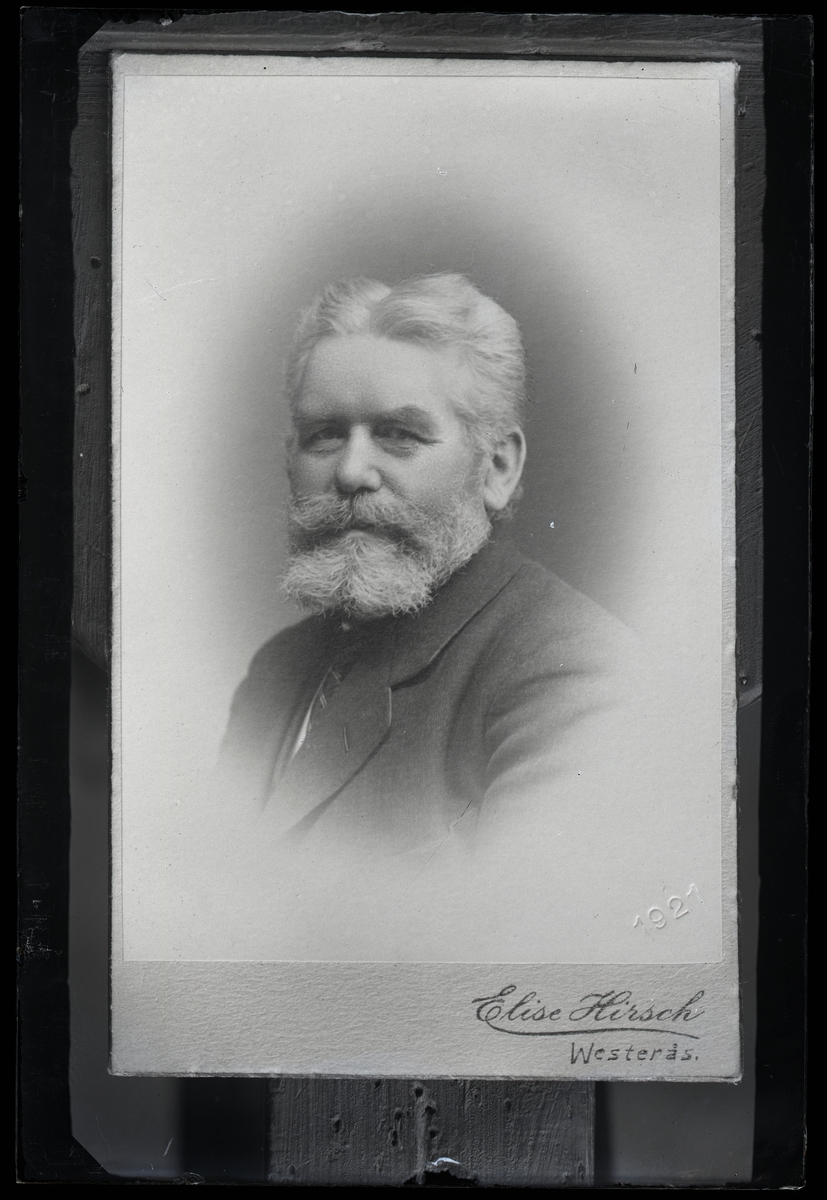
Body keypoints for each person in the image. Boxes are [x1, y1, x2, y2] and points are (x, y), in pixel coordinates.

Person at [208, 273, 643, 961]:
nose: (351, 472)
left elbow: (525, 955)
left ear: (496, 467)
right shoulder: (275, 670)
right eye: (324, 435)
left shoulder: (576, 671)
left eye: (399, 435)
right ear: (290, 458)